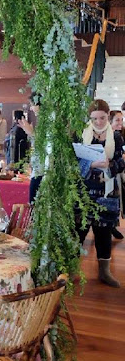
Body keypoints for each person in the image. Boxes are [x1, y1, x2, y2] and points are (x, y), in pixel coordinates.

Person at [76, 99, 125, 287]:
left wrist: (109, 165)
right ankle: (69, 269)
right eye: (94, 118)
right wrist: (91, 164)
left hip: (107, 192)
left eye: (102, 118)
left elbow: (121, 162)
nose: (98, 122)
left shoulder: (117, 137)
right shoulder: (80, 134)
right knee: (78, 231)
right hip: (84, 191)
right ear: (89, 118)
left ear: (108, 116)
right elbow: (72, 162)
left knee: (104, 233)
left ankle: (104, 271)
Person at [17, 94, 43, 203]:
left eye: (32, 105)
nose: (31, 108)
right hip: (38, 170)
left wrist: (31, 133)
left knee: (34, 205)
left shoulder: (47, 124)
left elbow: (45, 147)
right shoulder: (42, 122)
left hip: (41, 172)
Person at [109, 110, 125, 240]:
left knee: (116, 201)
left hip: (118, 173)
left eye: (121, 120)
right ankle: (111, 227)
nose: (120, 123)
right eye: (117, 120)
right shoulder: (108, 136)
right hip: (109, 174)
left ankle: (113, 226)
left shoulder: (119, 135)